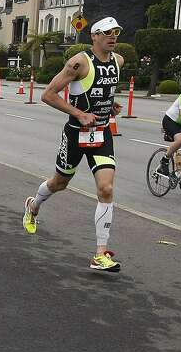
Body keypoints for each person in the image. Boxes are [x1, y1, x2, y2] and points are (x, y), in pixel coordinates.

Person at [22, 16, 126, 273]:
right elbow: (48, 95)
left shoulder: (118, 61)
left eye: (117, 32)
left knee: (106, 188)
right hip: (75, 134)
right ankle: (33, 205)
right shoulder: (78, 62)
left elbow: (99, 91)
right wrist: (79, 114)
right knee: (60, 183)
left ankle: (100, 254)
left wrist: (109, 107)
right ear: (94, 36)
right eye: (107, 32)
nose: (113, 36)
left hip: (101, 134)